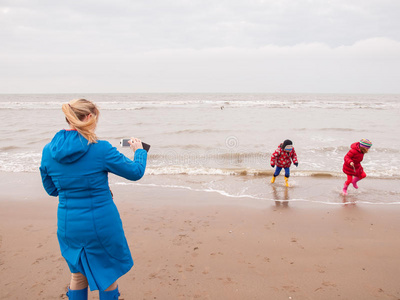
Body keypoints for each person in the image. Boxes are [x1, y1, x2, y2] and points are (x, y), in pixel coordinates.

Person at [40, 99, 147, 300]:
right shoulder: (100, 148)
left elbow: (52, 190)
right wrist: (139, 151)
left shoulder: (48, 151)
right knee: (107, 274)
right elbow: (135, 172)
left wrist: (73, 188)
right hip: (101, 223)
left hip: (68, 225)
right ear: (89, 117)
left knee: (78, 275)